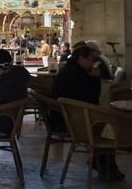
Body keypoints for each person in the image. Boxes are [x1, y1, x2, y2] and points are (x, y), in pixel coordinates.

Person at [52, 43, 122, 180]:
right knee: (108, 127)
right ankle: (105, 166)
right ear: (80, 59)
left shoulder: (69, 70)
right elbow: (93, 96)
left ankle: (102, 163)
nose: (93, 63)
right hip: (73, 123)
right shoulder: (76, 74)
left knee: (104, 123)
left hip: (65, 118)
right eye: (90, 59)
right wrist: (95, 78)